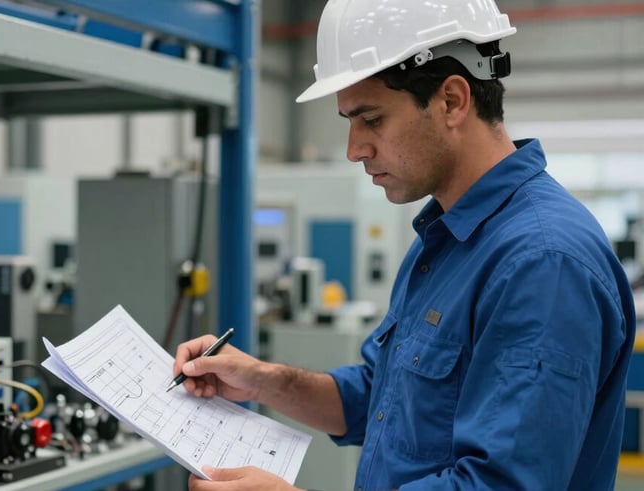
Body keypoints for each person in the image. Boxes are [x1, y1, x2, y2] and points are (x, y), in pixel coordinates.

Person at [175, 1, 637, 489]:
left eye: (371, 119)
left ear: (453, 101)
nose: (355, 149)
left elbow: (502, 484)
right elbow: (378, 397)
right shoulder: (442, 240)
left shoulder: (542, 263)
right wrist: (263, 379)